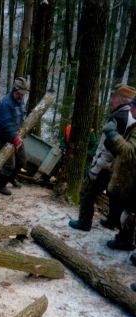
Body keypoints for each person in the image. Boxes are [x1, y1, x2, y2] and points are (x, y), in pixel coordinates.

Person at [68, 84, 136, 231]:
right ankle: (112, 222)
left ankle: (84, 222)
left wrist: (96, 168)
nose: (111, 100)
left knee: (87, 192)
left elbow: (109, 149)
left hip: (105, 166)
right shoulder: (129, 117)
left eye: (114, 97)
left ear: (123, 100)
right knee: (114, 195)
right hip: (115, 168)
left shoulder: (119, 118)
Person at [102, 95, 136, 251]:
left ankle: (126, 241)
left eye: (133, 106)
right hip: (129, 179)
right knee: (127, 210)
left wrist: (114, 136)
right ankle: (124, 240)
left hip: (133, 180)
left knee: (130, 212)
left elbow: (129, 151)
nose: (131, 109)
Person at [0, 77, 30, 195]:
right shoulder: (5, 103)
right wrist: (15, 138)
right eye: (20, 94)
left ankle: (11, 178)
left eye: (24, 94)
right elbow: (5, 124)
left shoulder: (20, 101)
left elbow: (20, 118)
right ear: (14, 90)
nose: (22, 96)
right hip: (4, 137)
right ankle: (1, 185)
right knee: (9, 164)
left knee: (22, 159)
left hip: (15, 135)